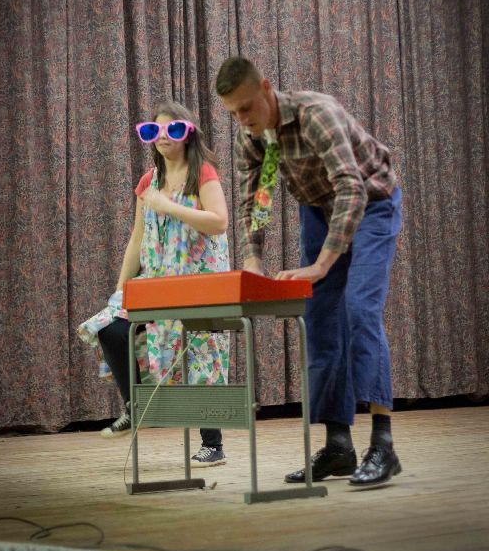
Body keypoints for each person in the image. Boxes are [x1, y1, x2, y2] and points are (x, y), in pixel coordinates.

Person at [215, 56, 403, 488]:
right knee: (319, 321)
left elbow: (351, 188)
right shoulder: (256, 138)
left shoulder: (317, 114)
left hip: (372, 203)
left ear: (266, 88)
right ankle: (338, 446)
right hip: (318, 209)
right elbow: (257, 199)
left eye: (247, 107)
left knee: (359, 309)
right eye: (233, 113)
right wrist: (253, 260)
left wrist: (321, 265)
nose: (243, 120)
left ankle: (383, 444)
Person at [78, 101, 230, 467]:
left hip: (198, 281)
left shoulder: (202, 173)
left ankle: (213, 444)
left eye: (172, 129)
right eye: (153, 130)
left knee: (200, 354)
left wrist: (170, 206)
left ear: (187, 134)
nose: (163, 137)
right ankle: (136, 406)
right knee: (112, 328)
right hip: (158, 279)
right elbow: (136, 239)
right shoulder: (149, 181)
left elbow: (219, 221)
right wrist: (122, 289)